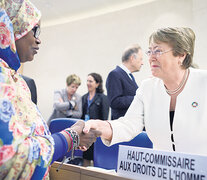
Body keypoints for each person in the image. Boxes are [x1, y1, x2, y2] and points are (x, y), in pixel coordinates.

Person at [0, 1, 100, 179]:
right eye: (34, 30)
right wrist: (69, 138)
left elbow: (32, 139)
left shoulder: (16, 80)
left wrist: (70, 141)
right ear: (12, 27)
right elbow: (9, 159)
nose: (38, 39)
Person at [84, 27, 207, 156]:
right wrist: (99, 126)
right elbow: (128, 124)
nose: (151, 58)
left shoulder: (203, 82)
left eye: (158, 51)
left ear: (181, 55)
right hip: (161, 171)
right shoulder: (147, 87)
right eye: (150, 51)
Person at [106, 44, 143, 119]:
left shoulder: (129, 76)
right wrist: (138, 98)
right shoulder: (115, 74)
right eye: (141, 59)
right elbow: (114, 102)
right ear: (132, 58)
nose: (142, 63)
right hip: (122, 125)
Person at [81, 73, 109, 165]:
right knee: (85, 157)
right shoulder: (84, 97)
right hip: (85, 131)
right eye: (87, 81)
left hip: (96, 133)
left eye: (91, 81)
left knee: (95, 157)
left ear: (97, 84)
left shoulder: (103, 98)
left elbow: (104, 117)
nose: (88, 83)